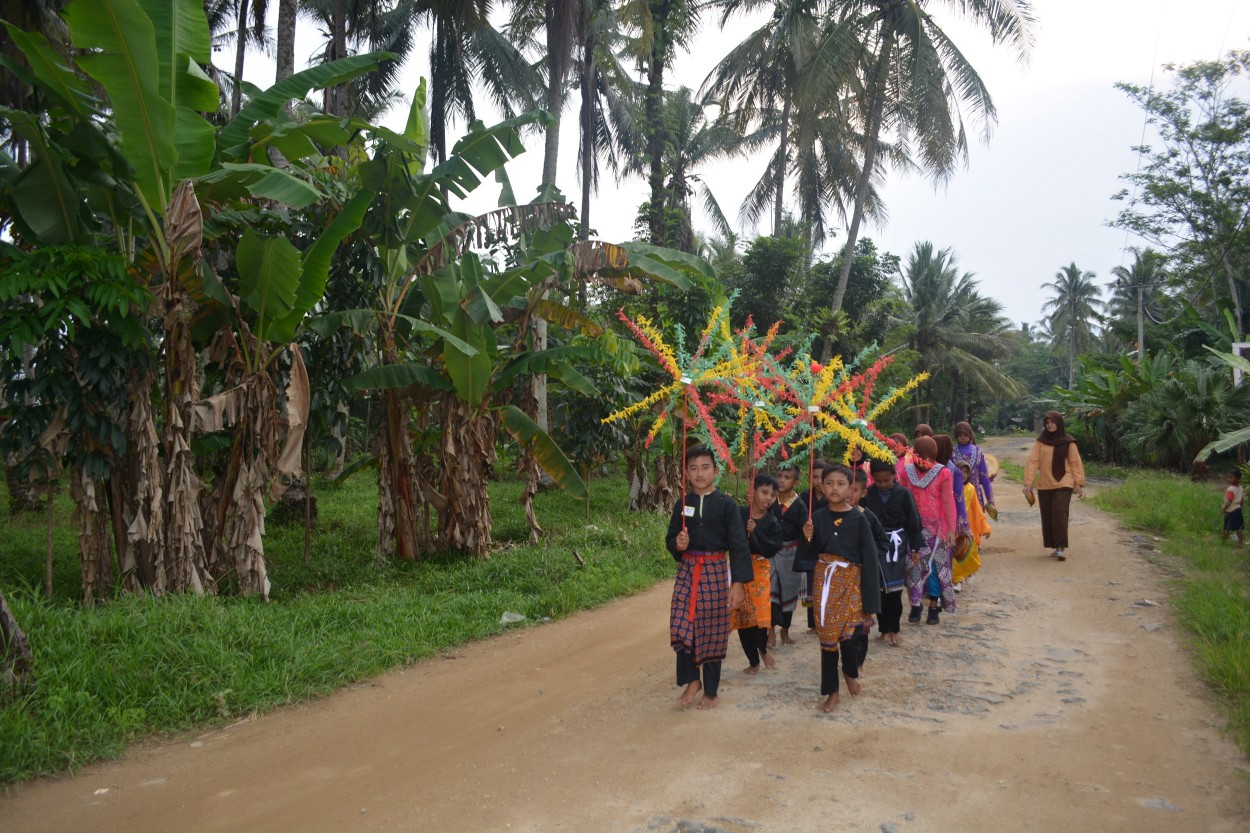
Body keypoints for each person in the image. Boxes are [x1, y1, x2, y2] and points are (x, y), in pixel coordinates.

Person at [665, 446, 751, 709]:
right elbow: (670, 540)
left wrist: (737, 584)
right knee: (681, 626)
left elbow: (738, 546)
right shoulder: (683, 503)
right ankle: (692, 679)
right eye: (693, 468)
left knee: (712, 630)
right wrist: (678, 544)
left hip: (714, 571)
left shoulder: (727, 505)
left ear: (715, 470)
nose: (699, 473)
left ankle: (711, 691)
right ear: (686, 474)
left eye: (705, 467)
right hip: (688, 572)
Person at [797, 465, 881, 712]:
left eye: (841, 483)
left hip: (852, 581)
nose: (834, 488)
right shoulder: (818, 518)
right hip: (825, 583)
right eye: (829, 483)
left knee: (851, 634)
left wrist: (871, 600)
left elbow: (869, 558)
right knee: (828, 638)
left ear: (851, 489)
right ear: (821, 486)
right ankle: (832, 692)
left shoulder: (859, 518)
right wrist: (807, 537)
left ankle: (849, 672)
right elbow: (807, 555)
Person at [861, 458, 925, 646]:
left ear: (894, 476)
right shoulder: (868, 494)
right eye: (878, 481)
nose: (882, 485)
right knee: (879, 589)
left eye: (886, 480)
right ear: (873, 478)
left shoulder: (904, 494)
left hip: (897, 545)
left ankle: (894, 629)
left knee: (895, 590)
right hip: (875, 545)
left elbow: (914, 522)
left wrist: (915, 548)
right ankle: (882, 629)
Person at [898, 435, 957, 624]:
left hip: (937, 530)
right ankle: (915, 605)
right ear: (914, 455)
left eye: (928, 458)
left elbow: (948, 502)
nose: (924, 462)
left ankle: (933, 607)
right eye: (920, 457)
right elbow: (901, 501)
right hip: (913, 528)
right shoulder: (906, 472)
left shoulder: (943, 473)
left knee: (935, 568)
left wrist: (951, 529)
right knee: (913, 566)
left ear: (934, 457)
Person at [734, 474, 783, 673]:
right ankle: (753, 660)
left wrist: (755, 532)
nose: (768, 498)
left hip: (760, 571)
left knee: (760, 615)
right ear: (752, 491)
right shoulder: (740, 513)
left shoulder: (772, 521)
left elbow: (771, 548)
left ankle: (763, 648)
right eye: (764, 492)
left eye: (773, 495)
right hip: (739, 569)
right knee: (742, 617)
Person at [1023, 411, 1086, 562]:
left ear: (1059, 423)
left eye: (1053, 422)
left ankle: (1060, 548)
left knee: (1059, 511)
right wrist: (1028, 482)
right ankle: (1054, 544)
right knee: (1048, 515)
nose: (1050, 425)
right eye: (1047, 422)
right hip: (1045, 484)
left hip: (1064, 481)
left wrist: (1078, 482)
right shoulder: (1041, 441)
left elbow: (1075, 462)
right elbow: (1033, 461)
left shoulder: (1068, 442)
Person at [850, 468, 889, 670]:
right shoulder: (826, 516)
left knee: (861, 625)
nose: (848, 494)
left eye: (853, 490)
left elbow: (883, 543)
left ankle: (859, 663)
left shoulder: (868, 517)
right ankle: (847, 660)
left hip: (862, 579)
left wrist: (869, 556)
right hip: (840, 580)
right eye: (842, 486)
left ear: (863, 493)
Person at [769, 465, 807, 647]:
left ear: (796, 482)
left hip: (791, 554)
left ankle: (785, 630)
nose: (781, 480)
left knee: (789, 593)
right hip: (771, 552)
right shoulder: (769, 500)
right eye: (779, 475)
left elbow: (805, 532)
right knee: (771, 590)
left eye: (787, 477)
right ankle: (770, 631)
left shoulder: (799, 505)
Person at [953, 461, 990, 590]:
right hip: (953, 526)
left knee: (969, 552)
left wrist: (984, 527)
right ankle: (957, 580)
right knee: (955, 554)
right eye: (960, 471)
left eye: (966, 472)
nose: (963, 475)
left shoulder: (971, 489)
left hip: (968, 527)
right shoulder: (950, 487)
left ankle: (964, 575)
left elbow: (978, 510)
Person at [952, 421, 996, 516]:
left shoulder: (978, 451)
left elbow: (984, 477)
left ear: (970, 435)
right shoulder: (952, 453)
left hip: (976, 496)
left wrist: (990, 500)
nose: (963, 437)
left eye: (965, 434)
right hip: (958, 496)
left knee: (977, 524)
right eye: (960, 435)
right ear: (956, 436)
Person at [1222, 469, 1244, 548]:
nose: (1229, 479)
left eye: (1231, 477)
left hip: (1230, 510)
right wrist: (1241, 506)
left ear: (1237, 479)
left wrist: (1223, 510)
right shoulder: (1240, 487)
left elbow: (1228, 502)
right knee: (1239, 528)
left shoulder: (1230, 489)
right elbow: (1242, 499)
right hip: (1238, 509)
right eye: (1229, 477)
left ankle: (1223, 543)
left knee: (1226, 528)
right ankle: (1240, 543)